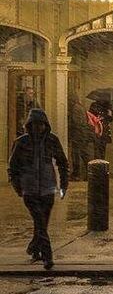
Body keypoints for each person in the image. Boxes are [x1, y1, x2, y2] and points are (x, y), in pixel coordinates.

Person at [8, 109, 69, 271]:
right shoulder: (21, 142)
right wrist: (18, 187)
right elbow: (12, 167)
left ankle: (34, 248)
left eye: (41, 124)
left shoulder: (52, 140)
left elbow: (63, 163)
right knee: (41, 223)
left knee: (41, 223)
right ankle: (47, 257)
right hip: (30, 190)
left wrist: (64, 184)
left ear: (45, 125)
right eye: (34, 124)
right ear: (29, 125)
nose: (38, 128)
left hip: (48, 189)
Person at [68, 93, 92, 180]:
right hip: (82, 134)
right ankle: (89, 173)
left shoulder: (75, 108)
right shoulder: (81, 107)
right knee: (84, 154)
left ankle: (76, 174)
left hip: (78, 134)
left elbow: (76, 122)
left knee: (76, 155)